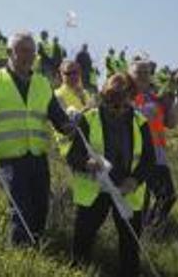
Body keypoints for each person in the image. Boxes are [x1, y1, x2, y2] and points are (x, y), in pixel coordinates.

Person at [0, 32, 73, 246]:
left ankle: (34, 255)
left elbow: (59, 120)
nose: (29, 56)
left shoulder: (43, 83)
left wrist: (71, 124)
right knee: (21, 210)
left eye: (32, 52)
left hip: (38, 157)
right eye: (23, 50)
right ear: (9, 52)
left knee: (40, 209)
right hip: (9, 158)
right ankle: (19, 256)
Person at [66, 73, 155, 277]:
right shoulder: (89, 118)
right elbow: (73, 156)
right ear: (105, 96)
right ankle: (78, 272)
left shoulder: (140, 122)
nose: (117, 106)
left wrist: (134, 180)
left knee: (130, 245)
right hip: (95, 190)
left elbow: (148, 160)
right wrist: (87, 164)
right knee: (83, 238)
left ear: (131, 97)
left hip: (127, 192)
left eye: (122, 99)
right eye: (112, 99)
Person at [129, 60, 176, 230]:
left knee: (168, 196)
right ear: (130, 75)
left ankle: (152, 229)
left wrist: (168, 106)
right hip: (137, 154)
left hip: (158, 155)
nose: (143, 76)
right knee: (142, 200)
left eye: (146, 72)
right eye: (138, 72)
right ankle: (143, 233)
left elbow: (171, 123)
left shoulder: (155, 98)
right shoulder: (125, 96)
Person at [55, 60, 93, 156]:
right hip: (68, 148)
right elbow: (66, 120)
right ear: (61, 75)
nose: (72, 76)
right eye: (68, 73)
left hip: (86, 144)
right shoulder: (57, 95)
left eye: (75, 72)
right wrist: (86, 110)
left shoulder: (85, 93)